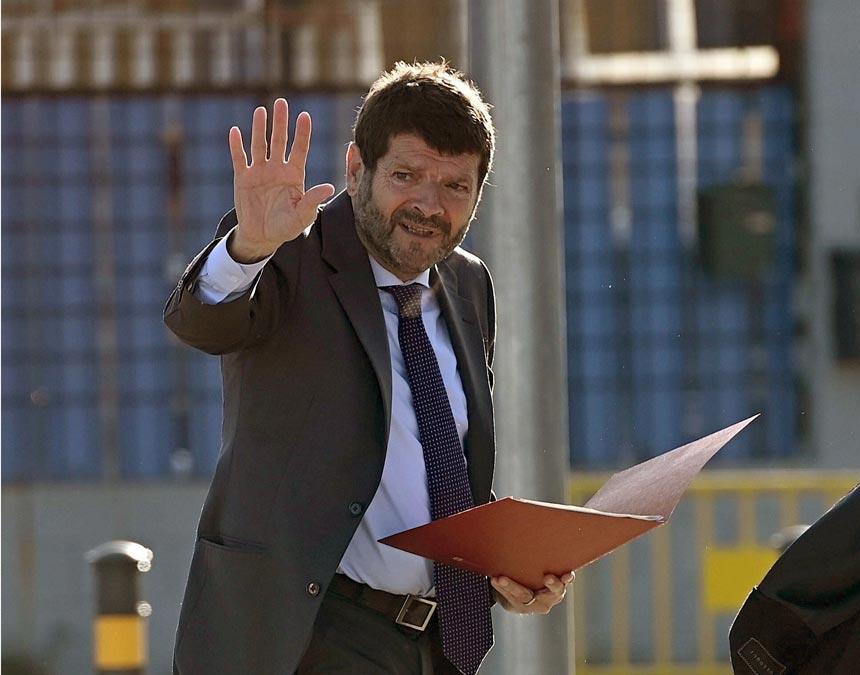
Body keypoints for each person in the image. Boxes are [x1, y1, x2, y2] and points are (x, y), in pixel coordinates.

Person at [165, 61, 572, 675]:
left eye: (456, 186)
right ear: (357, 168)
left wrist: (503, 567)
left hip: (430, 642)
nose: (429, 206)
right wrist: (246, 248)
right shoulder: (290, 249)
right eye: (406, 176)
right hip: (304, 635)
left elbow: (440, 463)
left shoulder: (468, 284)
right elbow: (203, 322)